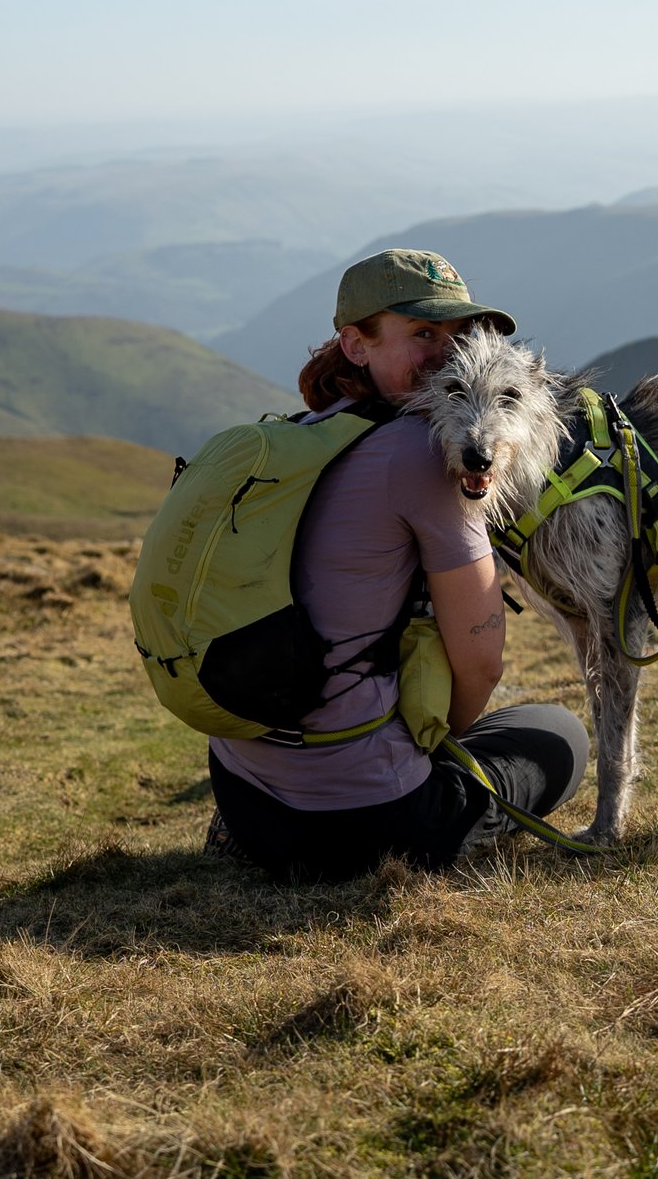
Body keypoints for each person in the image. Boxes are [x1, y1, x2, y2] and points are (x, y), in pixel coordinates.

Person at [206, 248, 589, 881]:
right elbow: (482, 661)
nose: (446, 354)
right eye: (422, 334)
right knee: (558, 734)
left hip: (247, 799)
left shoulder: (298, 434)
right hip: (366, 825)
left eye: (458, 334)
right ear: (355, 345)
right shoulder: (424, 457)